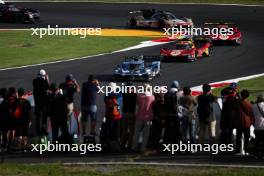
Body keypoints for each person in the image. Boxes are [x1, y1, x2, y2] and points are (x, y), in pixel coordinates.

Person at [132, 84, 155, 152]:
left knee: (136, 133)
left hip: (139, 116)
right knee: (146, 134)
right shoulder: (152, 97)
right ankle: (143, 147)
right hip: (148, 117)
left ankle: (134, 147)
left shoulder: (139, 96)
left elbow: (137, 105)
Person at [234, 89, 254, 155]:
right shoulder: (248, 104)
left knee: (238, 138)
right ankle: (247, 151)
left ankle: (238, 151)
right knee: (246, 137)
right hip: (247, 122)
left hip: (239, 122)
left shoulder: (238, 102)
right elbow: (251, 113)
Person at [33, 69, 50, 136]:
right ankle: (44, 129)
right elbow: (48, 87)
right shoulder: (43, 81)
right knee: (44, 117)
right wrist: (47, 79)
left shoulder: (34, 81)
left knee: (38, 118)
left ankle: (38, 132)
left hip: (37, 102)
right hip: (43, 102)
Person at [121, 82, 137, 150]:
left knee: (124, 130)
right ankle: (130, 145)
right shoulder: (135, 95)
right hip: (132, 113)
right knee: (131, 130)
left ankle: (123, 144)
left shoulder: (124, 94)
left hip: (125, 113)